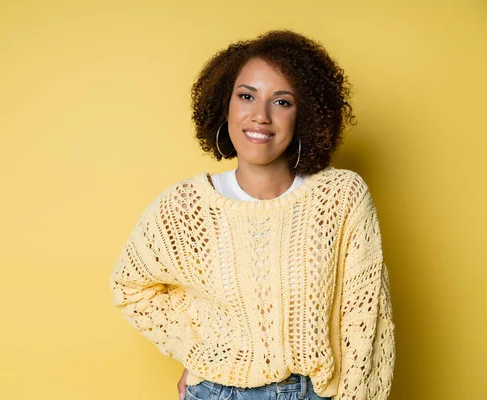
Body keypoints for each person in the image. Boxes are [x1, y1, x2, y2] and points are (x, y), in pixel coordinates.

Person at [109, 29, 395, 400]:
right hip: (214, 392)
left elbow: (364, 323)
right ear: (224, 105)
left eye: (281, 102)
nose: (260, 116)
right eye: (246, 96)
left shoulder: (340, 198)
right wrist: (198, 349)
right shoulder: (184, 207)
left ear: (304, 114)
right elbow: (129, 287)